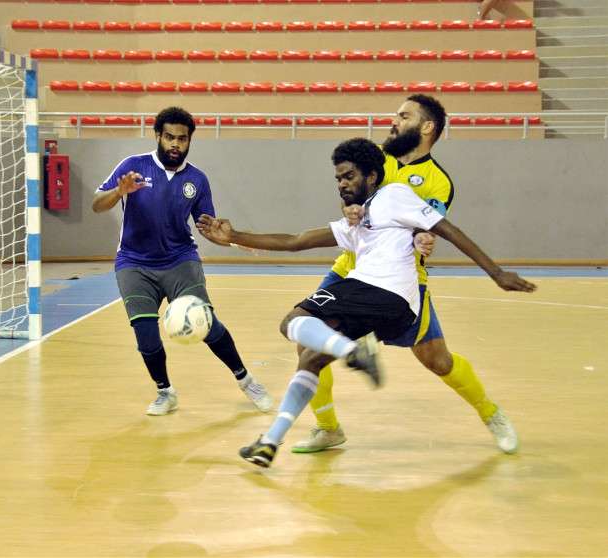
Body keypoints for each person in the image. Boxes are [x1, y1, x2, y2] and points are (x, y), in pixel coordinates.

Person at [196, 137, 536, 468]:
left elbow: (446, 228)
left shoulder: (395, 195)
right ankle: (271, 442)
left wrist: (496, 272)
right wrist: (234, 237)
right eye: (338, 179)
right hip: (381, 301)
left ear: (372, 176)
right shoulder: (358, 219)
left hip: (384, 292)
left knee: (294, 323)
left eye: (349, 176)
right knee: (311, 357)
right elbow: (296, 241)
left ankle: (358, 354)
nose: (342, 184)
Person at [280, 95, 520, 456]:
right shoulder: (377, 157)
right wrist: (349, 209)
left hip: (402, 279)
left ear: (427, 127)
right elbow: (350, 199)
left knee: (437, 360)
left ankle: (491, 413)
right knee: (309, 342)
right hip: (350, 269)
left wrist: (423, 238)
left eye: (404, 116)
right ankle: (328, 428)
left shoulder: (438, 182)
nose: (394, 121)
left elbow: (429, 227)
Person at [92, 106, 273, 416]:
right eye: (169, 137)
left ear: (189, 140)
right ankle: (165, 392)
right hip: (134, 263)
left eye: (182, 138)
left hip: (180, 260)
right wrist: (119, 191)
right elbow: (97, 204)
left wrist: (236, 240)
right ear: (158, 136)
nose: (175, 144)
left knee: (208, 326)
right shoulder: (133, 166)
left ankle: (246, 380)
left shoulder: (197, 179)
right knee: (146, 335)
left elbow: (208, 227)